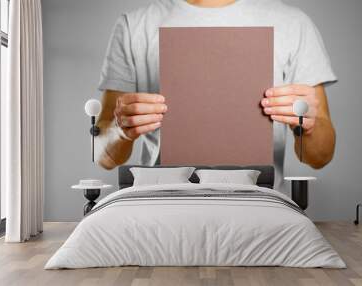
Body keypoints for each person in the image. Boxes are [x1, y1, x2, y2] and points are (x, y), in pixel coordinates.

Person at [95, 0, 336, 188]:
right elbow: (103, 155)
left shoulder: (294, 23)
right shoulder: (133, 26)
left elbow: (320, 156)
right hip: (165, 207)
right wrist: (121, 130)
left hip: (261, 210)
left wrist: (309, 127)